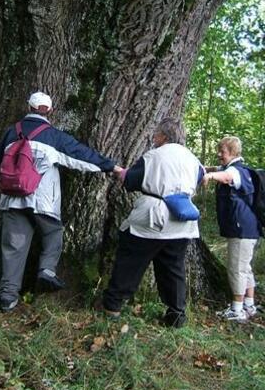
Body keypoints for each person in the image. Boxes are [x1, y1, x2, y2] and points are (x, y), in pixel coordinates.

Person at [0, 91, 119, 312]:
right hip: (42, 201)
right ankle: (47, 270)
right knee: (52, 233)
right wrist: (112, 167)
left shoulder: (12, 132)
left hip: (12, 199)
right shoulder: (54, 136)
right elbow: (82, 156)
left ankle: (8, 297)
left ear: (29, 108)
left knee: (14, 247)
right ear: (50, 111)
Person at [102, 118, 204, 328]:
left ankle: (112, 307)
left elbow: (131, 181)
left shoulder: (154, 156)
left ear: (164, 137)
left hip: (153, 216)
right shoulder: (193, 159)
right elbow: (201, 179)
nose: (153, 138)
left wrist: (122, 174)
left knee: (130, 261)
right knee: (173, 268)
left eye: (156, 134)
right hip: (182, 222)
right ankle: (176, 314)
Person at [203, 136, 262, 322]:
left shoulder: (236, 172)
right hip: (248, 228)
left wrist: (210, 176)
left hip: (242, 229)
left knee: (236, 268)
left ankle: (237, 310)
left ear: (233, 152)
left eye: (223, 151)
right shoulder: (235, 168)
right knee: (245, 267)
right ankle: (249, 305)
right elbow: (219, 169)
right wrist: (205, 169)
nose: (219, 154)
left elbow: (227, 177)